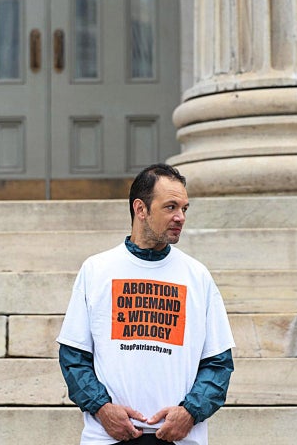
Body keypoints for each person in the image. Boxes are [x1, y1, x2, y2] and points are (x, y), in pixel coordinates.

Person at [57, 163, 235, 445]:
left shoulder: (197, 276)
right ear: (140, 209)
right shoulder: (97, 270)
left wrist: (190, 412)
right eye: (171, 207)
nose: (180, 217)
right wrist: (103, 409)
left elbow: (218, 362)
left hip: (177, 439)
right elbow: (73, 356)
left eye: (184, 209)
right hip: (108, 438)